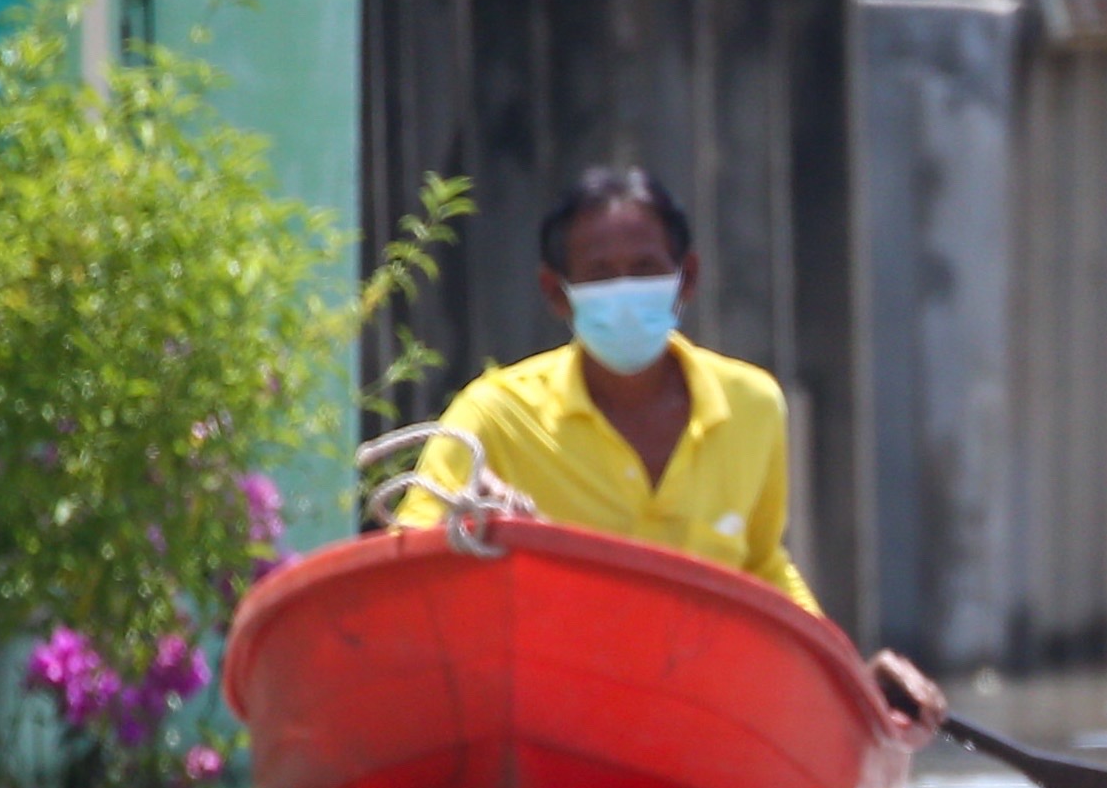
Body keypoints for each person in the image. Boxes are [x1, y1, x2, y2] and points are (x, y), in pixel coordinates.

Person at [404, 165, 945, 733]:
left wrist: (848, 675)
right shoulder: (495, 413)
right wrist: (476, 526)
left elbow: (762, 565)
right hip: (546, 705)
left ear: (686, 278)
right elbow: (412, 546)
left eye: (644, 270)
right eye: (598, 275)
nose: (623, 292)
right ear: (556, 293)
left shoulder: (752, 406)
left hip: (707, 708)